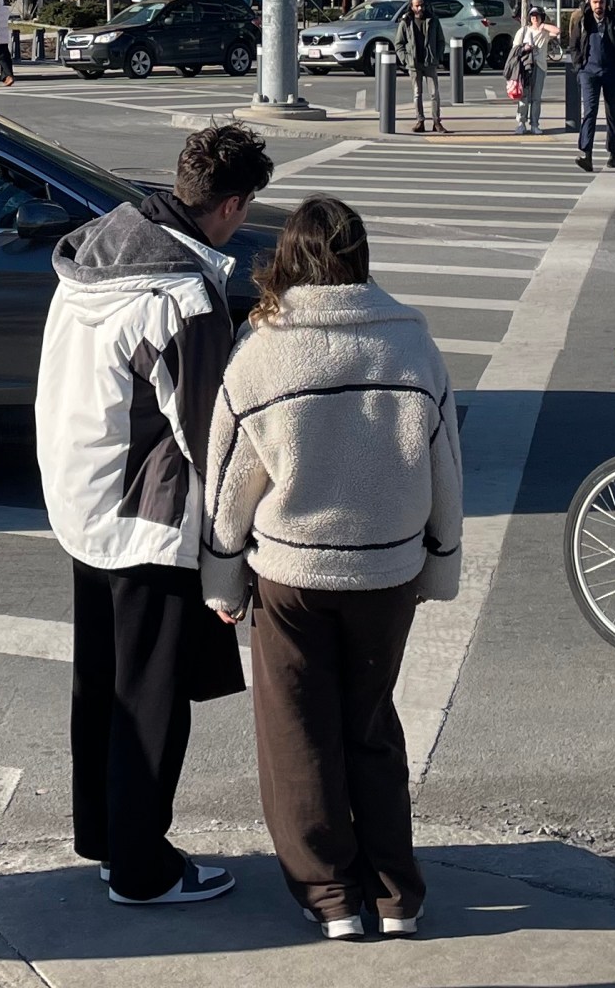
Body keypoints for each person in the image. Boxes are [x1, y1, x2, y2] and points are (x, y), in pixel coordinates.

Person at [201, 197, 460, 941]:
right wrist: (440, 562)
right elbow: (445, 464)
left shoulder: (263, 351)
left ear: (287, 259)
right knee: (371, 726)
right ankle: (395, 895)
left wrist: (222, 579)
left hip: (291, 574)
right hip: (389, 571)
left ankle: (331, 897)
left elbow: (229, 482)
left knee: (298, 734)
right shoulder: (411, 342)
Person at [37, 123, 272, 906]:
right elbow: (212, 434)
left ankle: (105, 837)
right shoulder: (187, 297)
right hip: (147, 515)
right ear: (231, 205)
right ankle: (140, 867)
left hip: (83, 494)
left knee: (101, 684)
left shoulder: (99, 248)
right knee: (151, 699)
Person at [562, 0, 615, 171]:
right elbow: (574, 45)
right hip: (589, 73)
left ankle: (613, 152)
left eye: (601, 2)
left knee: (612, 113)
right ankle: (587, 154)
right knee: (590, 112)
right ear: (589, 3)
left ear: (606, 2)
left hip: (613, 73)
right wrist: (580, 67)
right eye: (595, 2)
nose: (598, 6)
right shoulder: (583, 21)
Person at [398, 0, 448, 134]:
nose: (419, 8)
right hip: (414, 63)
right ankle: (420, 121)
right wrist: (405, 59)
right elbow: (399, 44)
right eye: (416, 5)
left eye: (421, 5)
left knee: (434, 93)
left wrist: (437, 57)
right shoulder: (406, 22)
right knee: (417, 93)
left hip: (430, 62)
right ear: (411, 6)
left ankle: (437, 122)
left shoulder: (433, 20)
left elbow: (440, 41)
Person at [504, 7, 557, 135]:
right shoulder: (523, 31)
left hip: (539, 66)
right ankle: (521, 123)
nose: (535, 18)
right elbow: (515, 49)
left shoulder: (544, 33)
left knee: (536, 97)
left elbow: (557, 31)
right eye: (532, 15)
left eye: (537, 16)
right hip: (524, 67)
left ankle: (534, 124)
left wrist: (542, 26)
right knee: (524, 96)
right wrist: (525, 47)